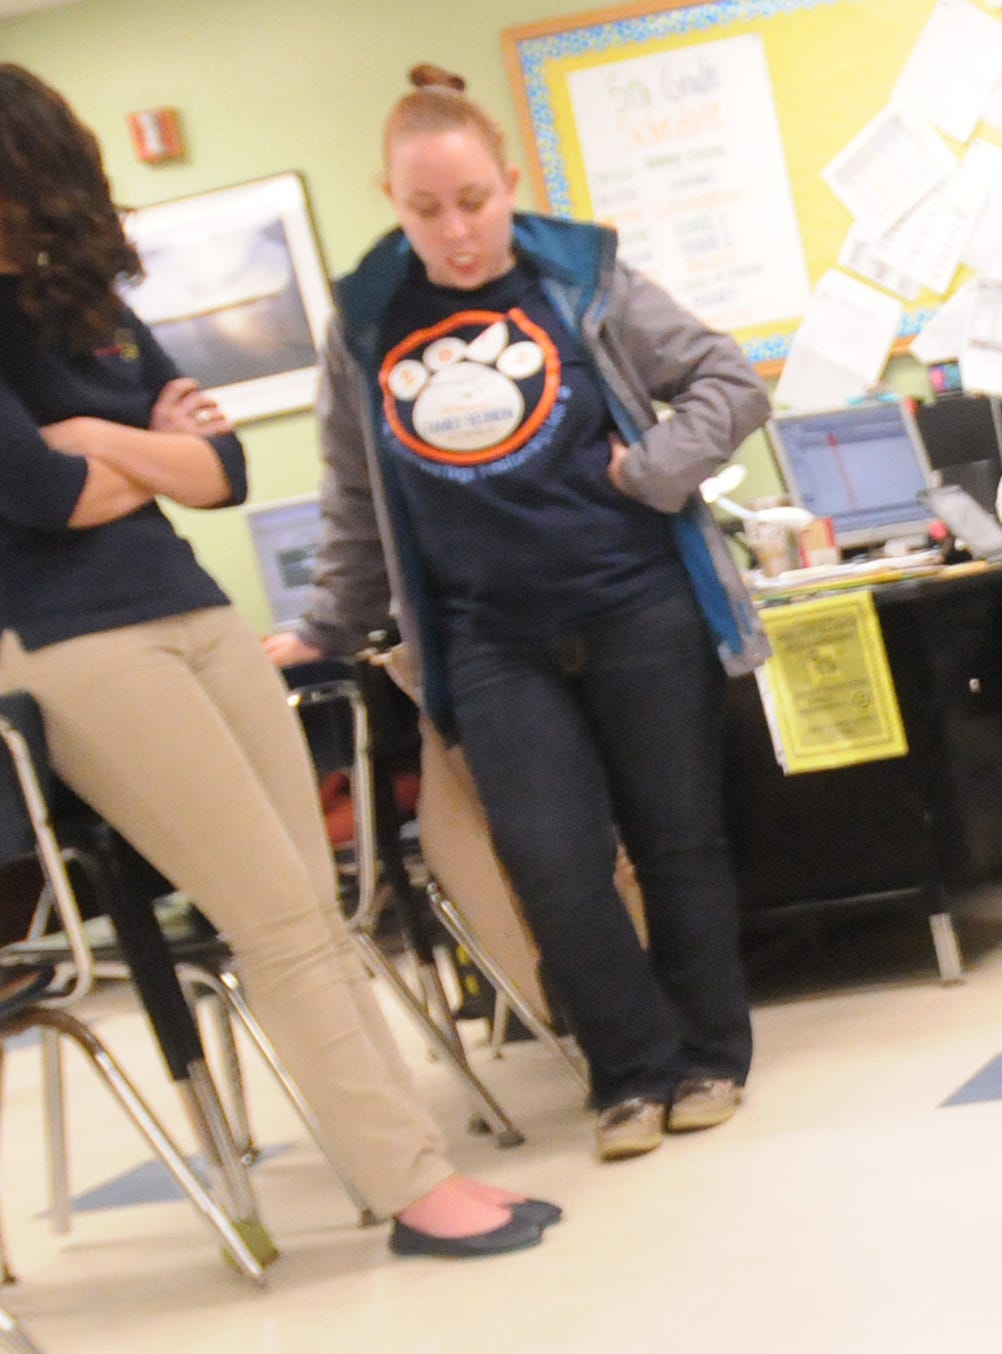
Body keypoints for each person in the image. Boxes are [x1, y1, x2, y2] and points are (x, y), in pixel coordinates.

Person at [0, 60, 550, 1261]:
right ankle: (414, 1189)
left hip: (194, 611)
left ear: (34, 180)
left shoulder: (78, 299)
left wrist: (98, 442)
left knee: (324, 909)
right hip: (68, 642)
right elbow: (39, 492)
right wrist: (134, 446)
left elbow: (223, 476)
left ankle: (421, 1165)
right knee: (276, 917)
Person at [264, 66, 768, 1163]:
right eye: (426, 209)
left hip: (639, 606)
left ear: (510, 181)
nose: (455, 231)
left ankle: (710, 1060)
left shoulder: (584, 278)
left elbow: (730, 380)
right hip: (489, 638)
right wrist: (326, 625)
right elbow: (354, 493)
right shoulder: (364, 322)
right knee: (551, 861)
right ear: (392, 202)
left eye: (474, 201)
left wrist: (658, 472)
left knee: (677, 842)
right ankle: (629, 1076)